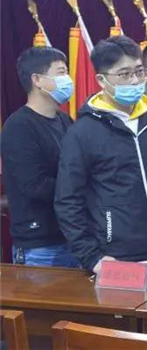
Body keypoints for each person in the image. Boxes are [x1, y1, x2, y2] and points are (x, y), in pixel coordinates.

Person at [55, 36, 147, 273]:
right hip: (114, 254)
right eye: (124, 74)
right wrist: (91, 257)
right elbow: (68, 200)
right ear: (101, 80)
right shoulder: (82, 133)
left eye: (139, 71)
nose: (135, 80)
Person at [1, 47, 79, 267]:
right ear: (37, 80)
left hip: (72, 237)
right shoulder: (19, 127)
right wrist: (80, 190)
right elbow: (34, 185)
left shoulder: (65, 120)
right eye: (61, 72)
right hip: (40, 246)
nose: (68, 80)